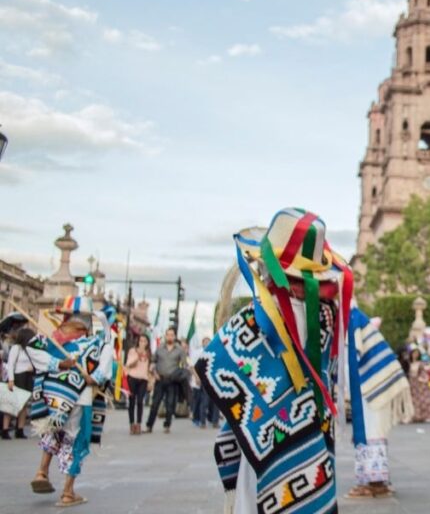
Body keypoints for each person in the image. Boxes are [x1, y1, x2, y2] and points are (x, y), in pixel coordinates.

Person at [197, 208, 351, 512]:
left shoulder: (255, 320)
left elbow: (210, 362)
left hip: (262, 444)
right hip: (311, 439)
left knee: (253, 501)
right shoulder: (327, 318)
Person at [26, 296, 113, 508]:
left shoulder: (53, 340)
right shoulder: (99, 342)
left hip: (54, 396)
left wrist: (58, 364)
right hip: (80, 397)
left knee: (53, 431)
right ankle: (67, 492)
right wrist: (95, 378)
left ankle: (42, 471)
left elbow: (32, 349)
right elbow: (105, 366)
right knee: (76, 441)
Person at [345, 308, 413, 498]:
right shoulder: (352, 317)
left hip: (371, 385)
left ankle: (374, 483)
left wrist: (344, 390)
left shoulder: (350, 319)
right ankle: (374, 480)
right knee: (370, 431)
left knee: (370, 431)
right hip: (371, 383)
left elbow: (351, 358)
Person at [145, 327, 185, 434]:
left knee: (170, 404)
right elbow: (153, 362)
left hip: (172, 380)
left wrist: (180, 375)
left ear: (174, 336)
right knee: (155, 404)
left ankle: (167, 425)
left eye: (172, 335)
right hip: (160, 379)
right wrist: (154, 373)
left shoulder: (179, 350)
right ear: (165, 336)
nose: (170, 337)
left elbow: (184, 365)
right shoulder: (160, 348)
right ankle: (149, 425)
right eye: (168, 335)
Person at [3, 326, 36, 439]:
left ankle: (20, 429)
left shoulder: (30, 349)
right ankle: (5, 429)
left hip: (27, 376)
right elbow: (10, 364)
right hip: (17, 376)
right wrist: (11, 380)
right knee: (12, 403)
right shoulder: (16, 348)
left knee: (24, 405)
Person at [124, 333, 151, 435]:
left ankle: (138, 424)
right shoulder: (132, 351)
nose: (142, 343)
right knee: (131, 401)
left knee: (140, 401)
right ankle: (132, 424)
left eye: (144, 341)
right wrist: (138, 355)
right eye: (141, 341)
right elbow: (129, 364)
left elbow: (149, 367)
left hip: (143, 379)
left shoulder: (148, 353)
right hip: (132, 378)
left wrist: (150, 380)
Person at [408, 348, 430, 423]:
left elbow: (424, 371)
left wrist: (423, 379)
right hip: (411, 383)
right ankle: (415, 416)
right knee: (414, 400)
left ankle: (425, 416)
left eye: (417, 353)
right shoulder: (408, 363)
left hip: (419, 382)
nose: (415, 355)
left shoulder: (420, 363)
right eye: (414, 353)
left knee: (424, 400)